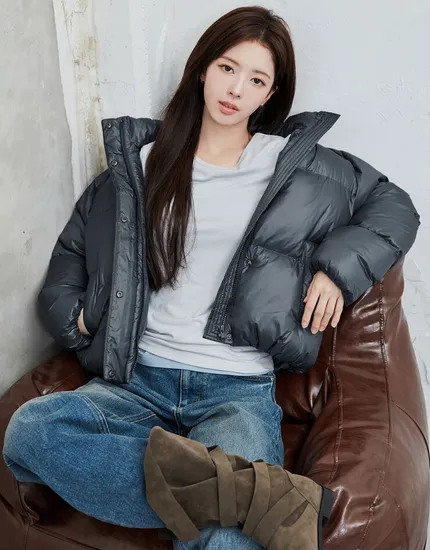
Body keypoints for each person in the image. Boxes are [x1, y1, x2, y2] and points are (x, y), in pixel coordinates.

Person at [2, 5, 420, 550]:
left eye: (256, 80)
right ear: (202, 68)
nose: (236, 89)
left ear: (269, 95)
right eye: (227, 68)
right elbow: (70, 259)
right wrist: (79, 319)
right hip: (136, 381)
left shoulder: (294, 166)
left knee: (225, 542)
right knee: (29, 432)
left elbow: (395, 207)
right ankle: (248, 498)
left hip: (236, 390)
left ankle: (224, 499)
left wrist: (336, 272)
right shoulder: (140, 166)